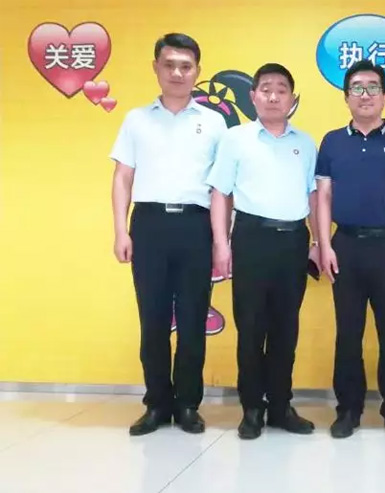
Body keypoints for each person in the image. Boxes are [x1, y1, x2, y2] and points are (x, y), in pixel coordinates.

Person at [110, 33, 227, 436]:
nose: (177, 73)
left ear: (197, 71)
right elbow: (122, 177)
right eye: (169, 64)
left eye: (186, 66)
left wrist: (221, 240)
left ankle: (188, 404)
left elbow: (221, 188)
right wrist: (120, 230)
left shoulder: (214, 122)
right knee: (153, 319)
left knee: (193, 319)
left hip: (196, 226)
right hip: (149, 225)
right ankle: (157, 404)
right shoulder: (136, 120)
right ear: (156, 67)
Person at [207, 63, 320, 440]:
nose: (274, 96)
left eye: (281, 90)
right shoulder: (236, 139)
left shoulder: (305, 143)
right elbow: (220, 193)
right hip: (251, 238)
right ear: (253, 96)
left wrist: (318, 243)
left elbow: (314, 196)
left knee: (286, 328)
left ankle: (281, 406)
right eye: (266, 89)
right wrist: (221, 244)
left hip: (293, 240)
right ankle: (252, 408)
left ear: (292, 99)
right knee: (251, 327)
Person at [316, 60, 385, 439]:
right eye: (357, 88)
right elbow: (323, 196)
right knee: (348, 333)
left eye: (373, 87)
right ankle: (348, 409)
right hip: (345, 246)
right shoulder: (332, 141)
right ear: (346, 96)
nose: (365, 95)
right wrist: (324, 244)